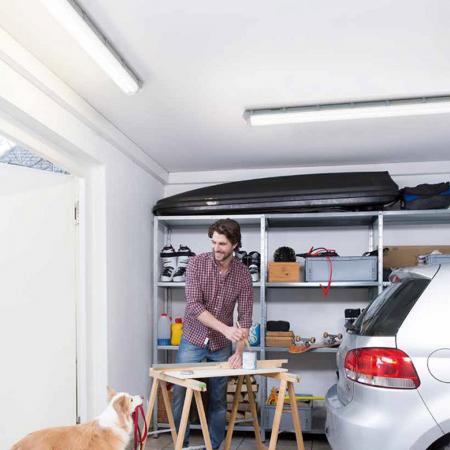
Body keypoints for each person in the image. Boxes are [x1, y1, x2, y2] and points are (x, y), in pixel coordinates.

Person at [172, 218, 253, 450]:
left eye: (222, 244)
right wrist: (226, 329)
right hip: (193, 339)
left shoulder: (243, 274)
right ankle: (181, 445)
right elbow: (193, 306)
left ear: (235, 244)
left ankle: (214, 447)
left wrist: (238, 353)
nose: (216, 248)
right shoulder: (196, 264)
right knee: (181, 395)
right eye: (214, 242)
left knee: (218, 399)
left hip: (221, 346)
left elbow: (245, 318)